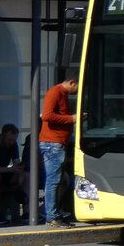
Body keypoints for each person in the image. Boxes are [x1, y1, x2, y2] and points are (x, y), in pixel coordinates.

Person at [40, 75, 78, 227]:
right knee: (53, 181)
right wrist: (72, 119)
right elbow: (47, 116)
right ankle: (52, 215)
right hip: (52, 143)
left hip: (57, 143)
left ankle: (54, 212)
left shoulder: (63, 94)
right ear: (71, 82)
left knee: (59, 180)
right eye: (77, 86)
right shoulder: (55, 92)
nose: (78, 91)